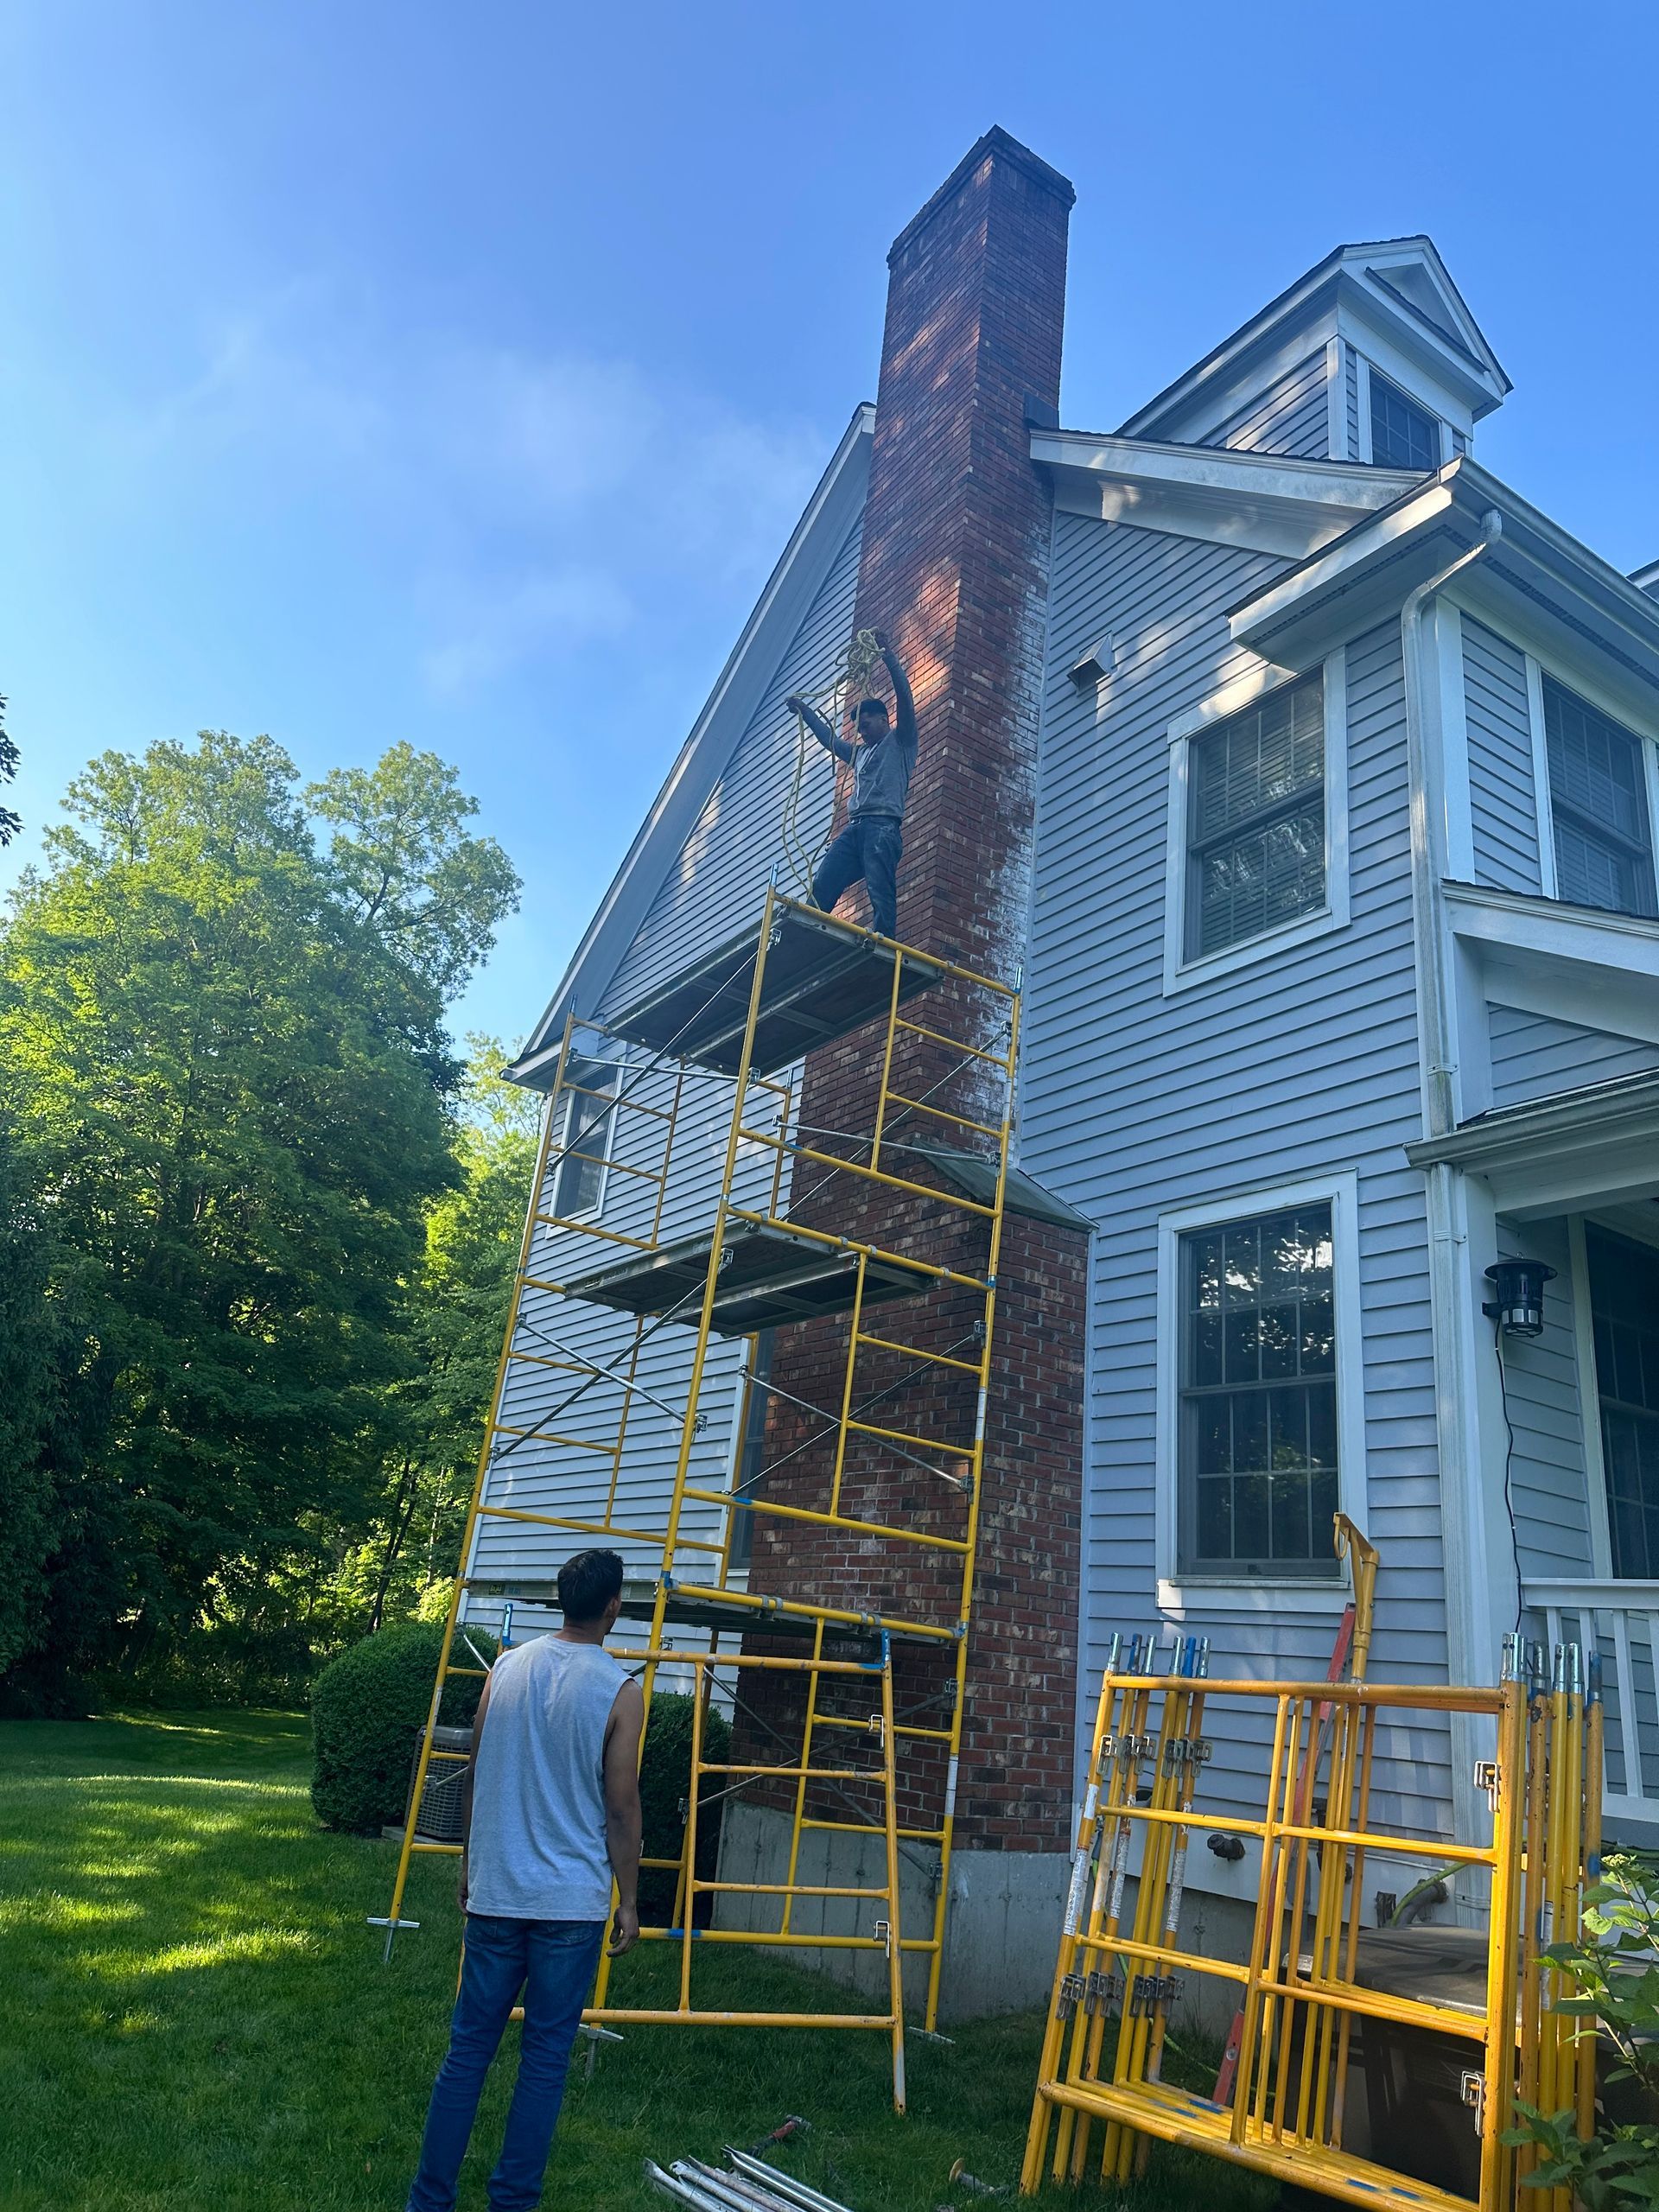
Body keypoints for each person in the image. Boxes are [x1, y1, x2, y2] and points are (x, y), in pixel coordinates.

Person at [404, 1549, 643, 2212]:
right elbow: (622, 1806)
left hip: (498, 1890)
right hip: (570, 1907)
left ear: (561, 1600)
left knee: (468, 2051)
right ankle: (511, 2202)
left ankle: (429, 2201)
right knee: (543, 2062)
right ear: (612, 1607)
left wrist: (467, 1863)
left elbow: (477, 1771)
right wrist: (630, 1900)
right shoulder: (620, 1690)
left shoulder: (504, 1668)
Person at [787, 626, 917, 941]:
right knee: (826, 878)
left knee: (879, 883)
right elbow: (831, 741)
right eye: (859, 727)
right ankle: (804, 932)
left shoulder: (901, 742)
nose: (861, 731)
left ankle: (884, 937)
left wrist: (888, 656)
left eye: (867, 724)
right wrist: (807, 713)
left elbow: (904, 698)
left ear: (884, 721)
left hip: (882, 827)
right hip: (855, 828)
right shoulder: (859, 753)